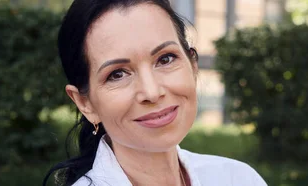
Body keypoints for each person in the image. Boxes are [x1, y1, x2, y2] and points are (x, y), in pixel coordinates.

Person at [43, 0, 267, 185]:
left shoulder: (237, 178)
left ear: (193, 65)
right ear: (85, 104)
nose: (152, 91)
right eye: (117, 74)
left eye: (165, 59)